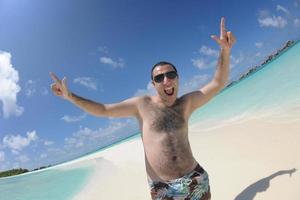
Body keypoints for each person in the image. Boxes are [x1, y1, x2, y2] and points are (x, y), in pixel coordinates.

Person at [50, 17, 236, 200]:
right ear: (153, 84)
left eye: (170, 74)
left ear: (177, 78)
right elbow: (104, 110)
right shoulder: (141, 106)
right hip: (164, 189)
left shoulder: (186, 103)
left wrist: (225, 51)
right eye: (159, 78)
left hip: (195, 177)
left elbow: (218, 82)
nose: (166, 80)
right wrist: (70, 96)